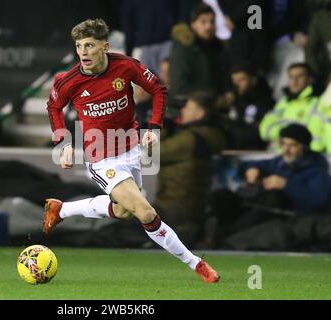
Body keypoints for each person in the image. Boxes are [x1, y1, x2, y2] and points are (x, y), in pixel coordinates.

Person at [44, 18, 220, 283]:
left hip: (131, 150)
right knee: (146, 213)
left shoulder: (125, 66)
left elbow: (158, 89)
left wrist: (154, 127)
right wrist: (64, 143)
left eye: (89, 45)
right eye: (79, 46)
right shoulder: (68, 81)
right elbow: (54, 108)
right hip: (102, 158)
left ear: (105, 46)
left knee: (123, 211)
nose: (83, 52)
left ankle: (62, 210)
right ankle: (196, 263)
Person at [156, 91, 227, 245]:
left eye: (188, 107)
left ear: (200, 113)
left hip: (175, 206)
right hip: (189, 204)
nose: (182, 111)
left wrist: (163, 126)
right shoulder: (210, 135)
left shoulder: (190, 139)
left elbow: (150, 155)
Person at [169, 2, 231, 108]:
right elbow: (180, 88)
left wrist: (228, 93)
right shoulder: (183, 50)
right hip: (187, 109)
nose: (208, 26)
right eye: (203, 22)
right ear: (193, 24)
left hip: (214, 108)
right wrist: (212, 98)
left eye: (212, 22)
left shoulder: (218, 49)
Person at [259, 63, 325, 152]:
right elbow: (264, 130)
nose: (294, 81)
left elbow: (315, 134)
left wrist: (281, 136)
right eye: (291, 77)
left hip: (304, 156)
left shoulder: (319, 102)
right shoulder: (283, 102)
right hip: (279, 155)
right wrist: (283, 132)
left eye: (299, 77)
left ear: (310, 79)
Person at [225, 63, 275, 149]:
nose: (236, 84)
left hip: (253, 151)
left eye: (241, 79)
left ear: (253, 79)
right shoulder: (232, 99)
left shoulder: (266, 102)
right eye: (234, 80)